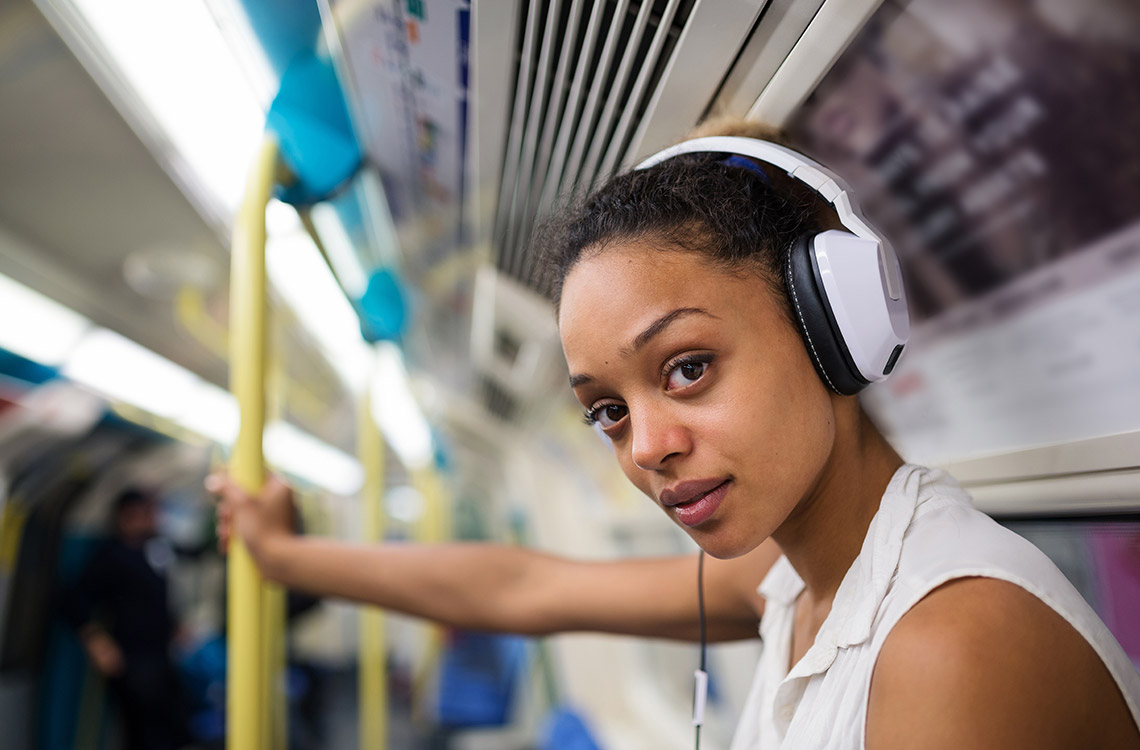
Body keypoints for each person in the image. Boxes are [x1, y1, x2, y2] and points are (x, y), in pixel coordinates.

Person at [209, 117, 1140, 749]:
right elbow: (523, 582)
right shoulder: (800, 584)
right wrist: (287, 560)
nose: (646, 446)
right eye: (607, 411)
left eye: (687, 368)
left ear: (832, 328)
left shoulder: (951, 640)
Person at [62, 487, 192, 750]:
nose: (152, 520)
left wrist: (174, 624)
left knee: (173, 724)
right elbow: (72, 599)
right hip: (133, 660)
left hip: (159, 655)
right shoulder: (111, 556)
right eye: (145, 514)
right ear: (126, 517)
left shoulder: (153, 549)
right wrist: (96, 640)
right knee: (143, 733)